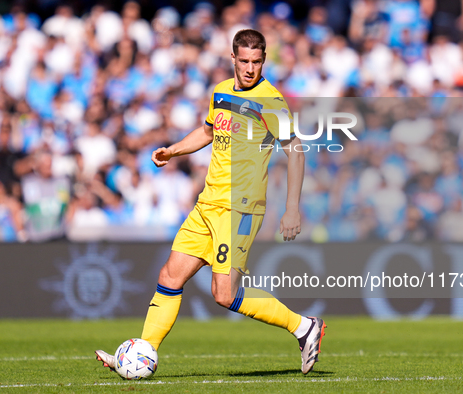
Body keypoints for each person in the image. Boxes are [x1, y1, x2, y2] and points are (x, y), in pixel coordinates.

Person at [95, 29, 326, 375]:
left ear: (264, 61)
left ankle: (304, 327)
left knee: (224, 293)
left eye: (257, 62)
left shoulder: (271, 100)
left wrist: (292, 207)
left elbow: (295, 150)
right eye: (244, 61)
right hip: (208, 204)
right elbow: (207, 131)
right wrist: (173, 149)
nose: (250, 69)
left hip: (240, 208)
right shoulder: (219, 91)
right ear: (232, 58)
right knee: (170, 276)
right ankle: (142, 352)